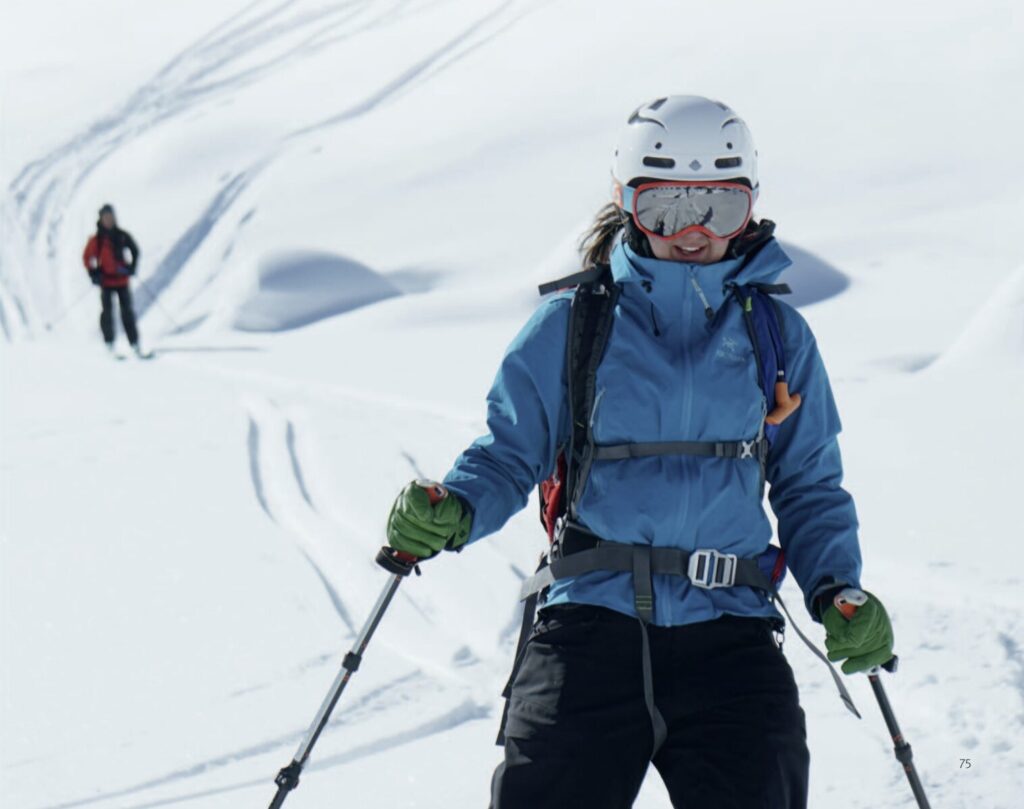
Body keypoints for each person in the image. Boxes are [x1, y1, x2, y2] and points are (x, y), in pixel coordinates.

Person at [385, 96, 895, 809]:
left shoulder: (776, 335)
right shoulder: (571, 324)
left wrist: (836, 586)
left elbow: (808, 483)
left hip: (732, 634)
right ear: (627, 203)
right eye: (665, 207)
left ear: (749, 208)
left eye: (719, 207)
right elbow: (509, 450)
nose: (692, 231)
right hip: (591, 628)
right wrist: (460, 504)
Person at [82, 203, 145, 357]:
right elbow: (86, 257)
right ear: (101, 219)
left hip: (122, 280)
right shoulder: (97, 239)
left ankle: (134, 343)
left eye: (111, 217)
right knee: (107, 312)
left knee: (127, 312)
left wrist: (132, 267)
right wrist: (94, 273)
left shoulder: (122, 235)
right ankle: (109, 343)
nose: (109, 220)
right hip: (106, 281)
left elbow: (135, 250)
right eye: (106, 217)